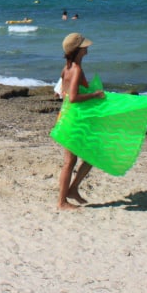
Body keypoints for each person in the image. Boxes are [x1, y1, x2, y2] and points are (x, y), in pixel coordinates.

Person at [55, 32, 104, 211]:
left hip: (67, 116)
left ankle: (73, 190)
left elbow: (62, 93)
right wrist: (95, 94)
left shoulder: (66, 68)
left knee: (89, 156)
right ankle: (62, 202)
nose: (87, 47)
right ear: (78, 50)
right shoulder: (76, 70)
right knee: (71, 161)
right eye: (84, 46)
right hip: (73, 120)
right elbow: (74, 97)